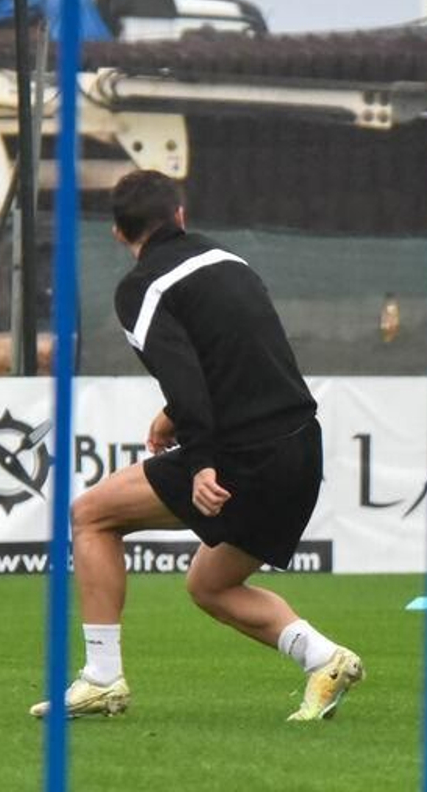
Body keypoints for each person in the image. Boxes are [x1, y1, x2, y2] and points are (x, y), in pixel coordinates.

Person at [30, 169, 363, 721]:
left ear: (118, 234)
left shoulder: (142, 288)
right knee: (211, 584)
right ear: (180, 215)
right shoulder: (230, 263)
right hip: (302, 448)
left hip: (242, 455)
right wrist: (172, 417)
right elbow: (241, 357)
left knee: (91, 516)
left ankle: (102, 678)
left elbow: (183, 381)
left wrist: (202, 462)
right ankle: (325, 659)